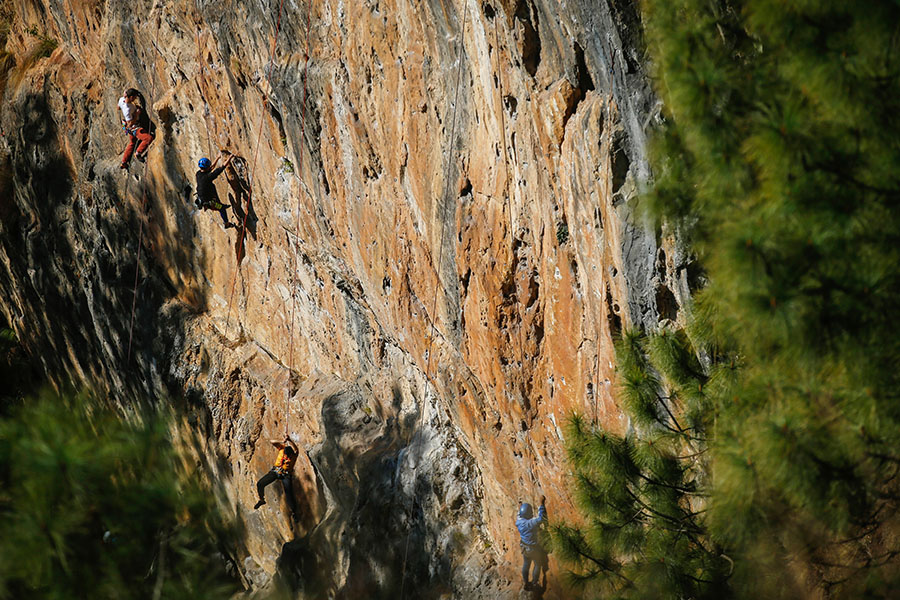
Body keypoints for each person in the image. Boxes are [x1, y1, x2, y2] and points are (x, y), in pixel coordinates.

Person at [254, 436, 299, 518]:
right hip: (275, 472)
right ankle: (261, 500)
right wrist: (282, 440)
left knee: (289, 494)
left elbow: (296, 449)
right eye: (286, 456)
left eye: (289, 457)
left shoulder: (294, 455)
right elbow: (272, 441)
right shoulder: (282, 449)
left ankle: (294, 513)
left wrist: (290, 440)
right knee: (260, 484)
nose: (288, 458)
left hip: (286, 475)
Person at [196, 153, 237, 229]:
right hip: (209, 202)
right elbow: (221, 168)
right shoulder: (208, 177)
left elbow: (210, 168)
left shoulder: (199, 174)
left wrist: (218, 158)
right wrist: (230, 157)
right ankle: (226, 223)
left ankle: (225, 216)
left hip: (204, 198)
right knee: (221, 208)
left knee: (221, 205)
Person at [517, 495, 549, 591]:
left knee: (526, 564)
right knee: (537, 564)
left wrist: (520, 507)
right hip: (533, 548)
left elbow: (519, 514)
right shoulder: (530, 523)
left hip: (524, 547)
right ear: (530, 514)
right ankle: (535, 583)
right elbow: (541, 518)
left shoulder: (518, 521)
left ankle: (526, 582)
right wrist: (541, 504)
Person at [118, 88, 154, 169]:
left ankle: (123, 162)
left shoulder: (121, 100)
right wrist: (136, 114)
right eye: (134, 97)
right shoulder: (127, 110)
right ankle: (138, 153)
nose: (135, 99)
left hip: (128, 128)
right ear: (130, 97)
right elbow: (130, 124)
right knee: (148, 138)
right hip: (134, 128)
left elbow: (118, 108)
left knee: (132, 143)